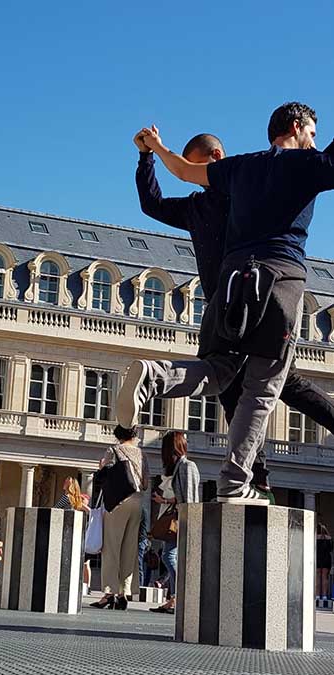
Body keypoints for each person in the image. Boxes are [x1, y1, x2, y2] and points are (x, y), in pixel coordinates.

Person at [118, 102, 334, 503]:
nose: (313, 142)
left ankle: (154, 376)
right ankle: (237, 482)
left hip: (228, 288)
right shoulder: (307, 165)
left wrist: (151, 150)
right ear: (296, 126)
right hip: (277, 280)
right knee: (265, 389)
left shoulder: (236, 171)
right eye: (312, 133)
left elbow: (181, 171)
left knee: (220, 371)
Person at [90, 424, 149, 611]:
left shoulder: (114, 450)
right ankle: (124, 593)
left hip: (118, 502)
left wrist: (101, 467)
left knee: (112, 547)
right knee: (129, 549)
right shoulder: (142, 454)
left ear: (118, 436)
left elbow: (103, 475)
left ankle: (109, 593)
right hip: (138, 501)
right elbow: (146, 483)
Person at [149, 431, 200, 614]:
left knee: (169, 557)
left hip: (181, 519)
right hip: (177, 518)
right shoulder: (179, 466)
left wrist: (165, 501)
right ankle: (174, 598)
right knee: (170, 557)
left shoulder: (186, 466)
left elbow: (187, 499)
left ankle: (180, 596)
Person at [316, 519, 333, 601]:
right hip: (326, 558)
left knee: (318, 577)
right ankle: (325, 595)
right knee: (324, 577)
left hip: (318, 558)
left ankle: (317, 595)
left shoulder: (315, 538)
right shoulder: (329, 538)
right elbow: (331, 549)